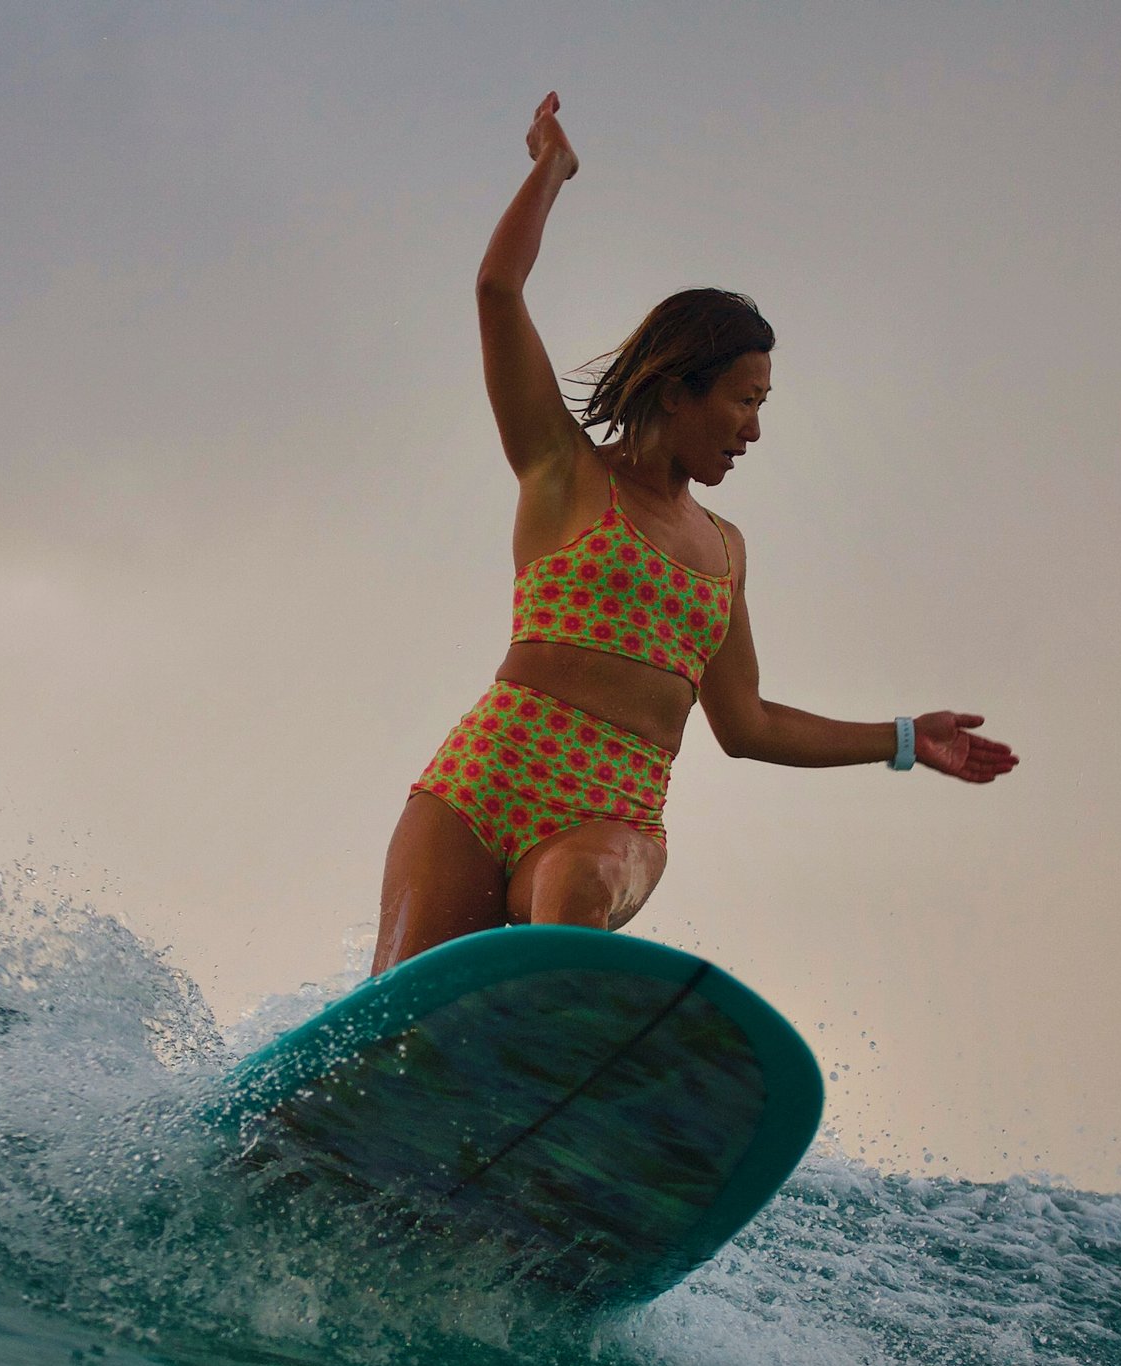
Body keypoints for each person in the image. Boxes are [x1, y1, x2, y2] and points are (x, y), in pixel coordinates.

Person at [374, 93, 1019, 974]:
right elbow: (497, 289)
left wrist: (904, 738)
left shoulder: (722, 552)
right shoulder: (563, 471)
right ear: (680, 388)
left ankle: (559, 1060)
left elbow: (746, 723)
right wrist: (551, 171)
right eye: (743, 400)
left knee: (568, 904)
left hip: (611, 812)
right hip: (483, 776)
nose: (753, 428)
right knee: (393, 1016)